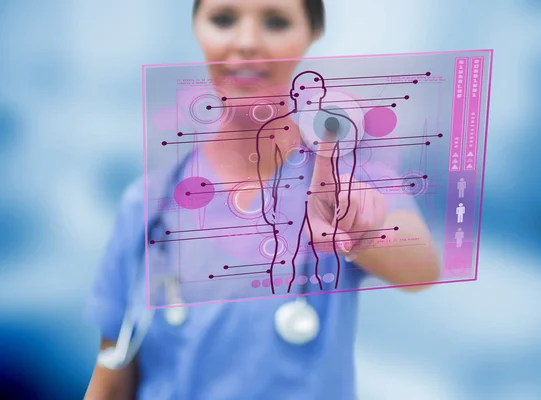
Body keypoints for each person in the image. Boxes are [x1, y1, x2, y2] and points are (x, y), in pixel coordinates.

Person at [84, 1, 440, 399]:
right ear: (196, 28)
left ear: (312, 33)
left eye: (276, 21)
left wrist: (362, 227)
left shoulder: (347, 178)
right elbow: (112, 373)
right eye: (223, 19)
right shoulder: (147, 203)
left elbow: (420, 268)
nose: (248, 42)